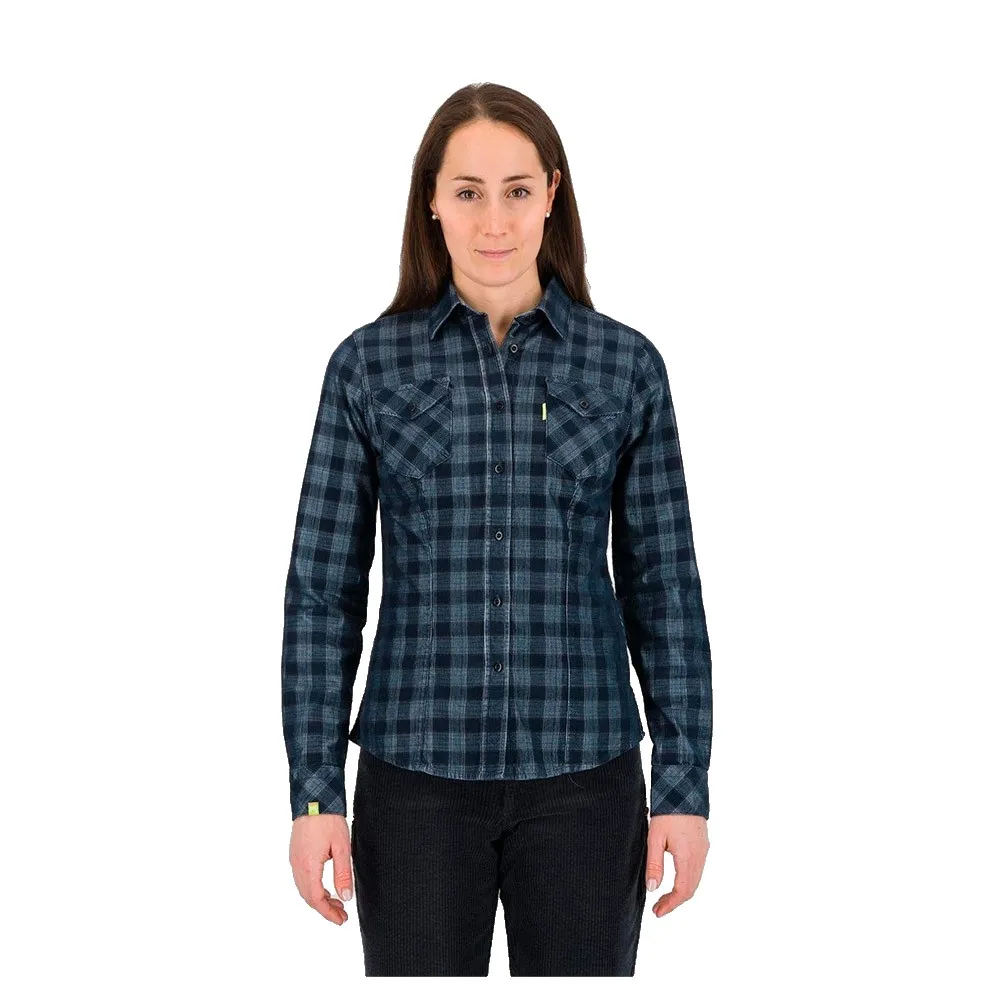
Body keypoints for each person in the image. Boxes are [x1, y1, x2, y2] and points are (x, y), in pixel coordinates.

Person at [281, 82, 713, 976]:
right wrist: (316, 798)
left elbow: (665, 589)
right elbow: (322, 594)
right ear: (432, 202)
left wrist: (682, 787)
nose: (494, 221)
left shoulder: (625, 365)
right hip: (415, 783)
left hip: (587, 780)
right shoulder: (367, 367)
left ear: (552, 193)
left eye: (517, 190)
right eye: (468, 191)